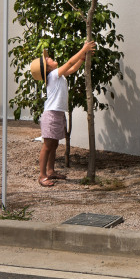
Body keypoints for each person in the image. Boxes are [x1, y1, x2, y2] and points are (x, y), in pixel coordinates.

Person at [30, 40, 96, 186]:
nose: (52, 58)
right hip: (51, 115)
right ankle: (42, 176)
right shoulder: (53, 75)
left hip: (57, 114)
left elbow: (72, 69)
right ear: (47, 68)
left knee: (53, 145)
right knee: (47, 145)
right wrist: (83, 48)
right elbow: (69, 62)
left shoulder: (57, 75)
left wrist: (82, 58)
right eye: (49, 60)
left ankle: (51, 171)